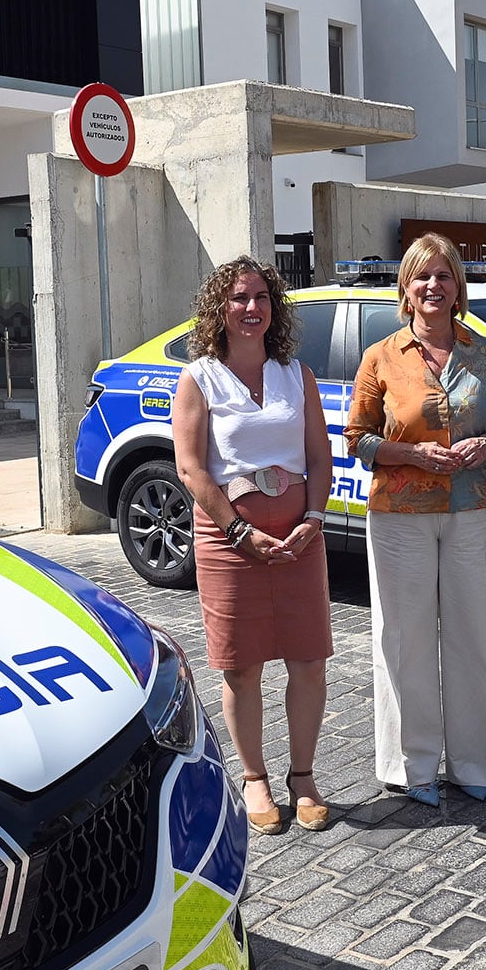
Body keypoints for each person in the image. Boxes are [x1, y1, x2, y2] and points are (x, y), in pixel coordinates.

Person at [343, 233, 486, 806]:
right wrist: (412, 454)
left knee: (476, 638)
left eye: (444, 275)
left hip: (474, 510)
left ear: (458, 287)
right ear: (406, 289)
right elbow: (358, 440)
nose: (433, 286)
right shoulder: (381, 356)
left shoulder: (485, 354)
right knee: (405, 640)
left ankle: (478, 765)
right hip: (399, 516)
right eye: (422, 277)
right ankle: (411, 768)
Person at [172, 256, 334, 835]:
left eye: (261, 297)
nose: (251, 308)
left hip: (297, 542)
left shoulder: (297, 373)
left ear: (275, 307)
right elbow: (191, 469)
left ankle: (304, 777)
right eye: (239, 297)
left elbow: (319, 455)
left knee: (308, 661)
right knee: (241, 668)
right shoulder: (200, 377)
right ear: (220, 307)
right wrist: (240, 531)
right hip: (229, 543)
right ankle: (254, 776)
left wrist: (313, 518)